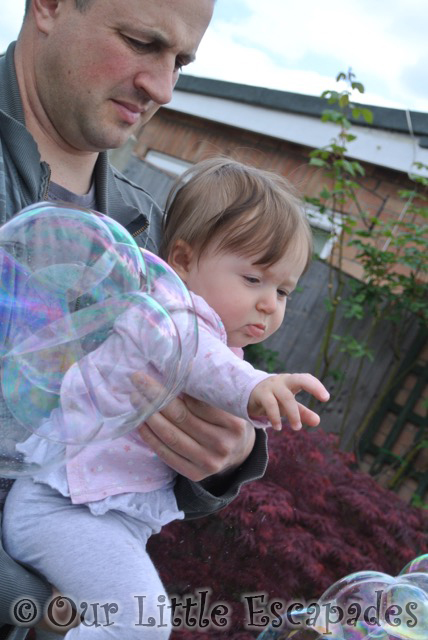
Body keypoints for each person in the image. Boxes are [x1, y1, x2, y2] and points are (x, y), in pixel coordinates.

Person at [0, 0, 269, 634]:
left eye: (181, 60)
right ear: (50, 6)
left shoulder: (149, 231)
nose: (164, 87)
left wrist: (226, 456)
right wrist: (36, 607)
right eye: (142, 41)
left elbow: (115, 453)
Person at [2, 157, 329, 639]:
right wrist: (256, 387)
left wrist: (241, 440)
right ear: (182, 261)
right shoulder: (167, 312)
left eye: (284, 291)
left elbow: (218, 373)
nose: (269, 303)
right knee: (142, 624)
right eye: (254, 280)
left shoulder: (216, 339)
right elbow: (207, 364)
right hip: (62, 504)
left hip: (102, 512)